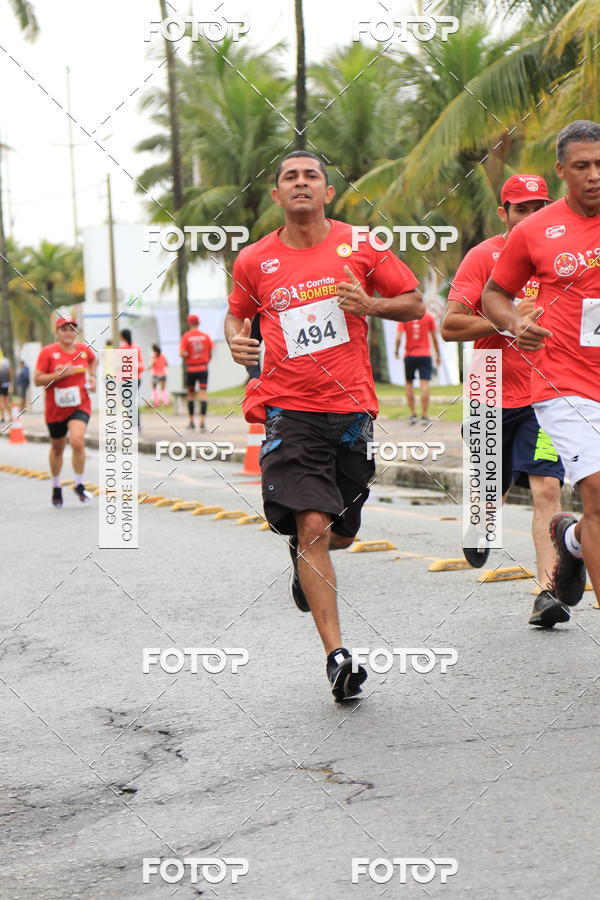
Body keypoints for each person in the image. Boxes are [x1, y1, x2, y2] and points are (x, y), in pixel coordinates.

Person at [225, 150, 423, 701]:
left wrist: (371, 304)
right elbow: (237, 312)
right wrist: (235, 337)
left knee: (338, 531)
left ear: (329, 192)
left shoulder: (363, 246)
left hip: (351, 408)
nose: (302, 183)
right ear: (277, 196)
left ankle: (306, 561)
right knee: (311, 524)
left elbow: (414, 303)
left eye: (312, 176)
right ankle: (337, 656)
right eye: (290, 177)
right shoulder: (254, 260)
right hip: (288, 409)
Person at [482, 119, 600, 621]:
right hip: (564, 382)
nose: (594, 175)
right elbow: (493, 294)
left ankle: (571, 540)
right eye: (582, 166)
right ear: (562, 170)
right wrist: (513, 323)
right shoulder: (534, 232)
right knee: (594, 490)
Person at [442, 174, 566, 627]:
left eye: (540, 207)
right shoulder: (483, 258)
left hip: (547, 391)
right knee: (490, 488)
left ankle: (547, 592)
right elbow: (451, 327)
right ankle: (481, 516)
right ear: (503, 214)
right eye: (522, 209)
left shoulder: (563, 254)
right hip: (488, 386)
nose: (532, 217)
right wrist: (507, 321)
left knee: (547, 489)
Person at [34, 317, 97, 506]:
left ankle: (78, 484)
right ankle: (56, 485)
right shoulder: (47, 352)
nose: (69, 333)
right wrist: (59, 375)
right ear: (57, 332)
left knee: (77, 441)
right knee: (57, 449)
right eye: (64, 329)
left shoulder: (84, 351)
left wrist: (92, 378)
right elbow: (37, 380)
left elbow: (94, 361)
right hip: (55, 409)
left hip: (80, 405)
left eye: (72, 329)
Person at [395, 310, 441, 424]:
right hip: (425, 354)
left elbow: (398, 338)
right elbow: (435, 338)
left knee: (409, 383)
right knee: (424, 383)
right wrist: (438, 354)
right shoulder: (429, 317)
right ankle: (424, 415)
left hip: (410, 355)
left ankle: (412, 414)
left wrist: (396, 350)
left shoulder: (405, 316)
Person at [180, 314, 214, 431]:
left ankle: (191, 422)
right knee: (203, 394)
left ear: (189, 323)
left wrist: (189, 355)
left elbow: (182, 353)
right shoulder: (206, 337)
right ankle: (202, 422)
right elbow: (210, 353)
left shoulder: (186, 337)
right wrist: (204, 361)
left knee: (191, 395)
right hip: (203, 368)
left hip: (191, 369)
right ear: (198, 323)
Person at [119, 329, 144, 428]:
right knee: (131, 401)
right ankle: (135, 424)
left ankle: (135, 424)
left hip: (126, 379)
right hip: (136, 378)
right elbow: (141, 363)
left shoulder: (122, 348)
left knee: (128, 401)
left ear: (122, 336)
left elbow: (118, 364)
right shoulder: (136, 347)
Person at [0, 352, 11, 423]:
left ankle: (6, 416)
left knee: (4, 401)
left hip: (3, 384)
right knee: (3, 401)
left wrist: (10, 384)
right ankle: (5, 417)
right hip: (4, 384)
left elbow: (9, 373)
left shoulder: (4, 361)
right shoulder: (5, 361)